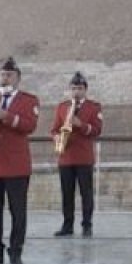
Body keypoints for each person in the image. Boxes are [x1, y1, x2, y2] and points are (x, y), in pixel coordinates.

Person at [0, 57, 40, 264]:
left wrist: (6, 116)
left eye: (9, 75)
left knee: (17, 210)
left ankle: (16, 252)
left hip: (16, 164)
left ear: (18, 79)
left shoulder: (29, 100)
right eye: (2, 75)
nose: (5, 78)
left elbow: (30, 125)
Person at [50, 71, 104, 237]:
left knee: (86, 193)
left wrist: (81, 124)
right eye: (73, 88)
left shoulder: (94, 107)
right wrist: (57, 137)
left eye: (80, 88)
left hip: (84, 157)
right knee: (67, 194)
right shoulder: (62, 107)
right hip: (65, 156)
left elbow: (97, 131)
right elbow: (54, 129)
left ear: (85, 90)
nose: (76, 91)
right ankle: (67, 225)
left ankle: (87, 225)